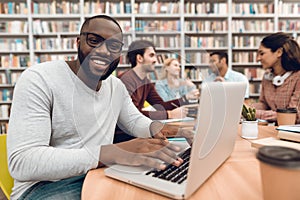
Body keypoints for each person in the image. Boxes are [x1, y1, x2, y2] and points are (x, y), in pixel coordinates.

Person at [7, 15, 193, 200]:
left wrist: (160, 128)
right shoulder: (39, 79)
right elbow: (22, 162)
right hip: (42, 188)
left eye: (113, 47)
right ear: (78, 42)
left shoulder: (115, 87)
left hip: (96, 172)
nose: (104, 51)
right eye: (94, 41)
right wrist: (114, 153)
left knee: (165, 182)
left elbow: (134, 121)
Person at [250, 32, 300, 124]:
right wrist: (246, 108)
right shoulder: (267, 76)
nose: (258, 59)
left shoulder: (298, 77)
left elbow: (292, 115)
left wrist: (255, 114)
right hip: (275, 129)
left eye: (262, 53)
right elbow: (264, 104)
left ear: (279, 52)